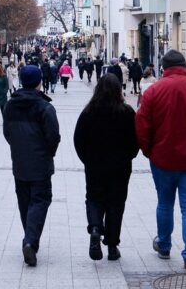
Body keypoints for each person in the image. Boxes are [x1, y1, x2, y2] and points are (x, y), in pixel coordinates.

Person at [135, 49, 186, 273]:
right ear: (185, 65)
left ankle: (164, 244)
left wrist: (149, 151)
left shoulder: (154, 91)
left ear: (163, 68)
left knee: (164, 203)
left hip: (162, 158)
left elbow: (142, 125)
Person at [74, 74, 139, 261]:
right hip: (120, 166)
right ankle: (112, 245)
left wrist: (87, 159)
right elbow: (136, 140)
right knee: (116, 204)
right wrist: (129, 156)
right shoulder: (126, 112)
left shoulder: (88, 112)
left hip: (95, 165)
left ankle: (95, 228)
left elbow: (78, 139)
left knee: (94, 198)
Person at [3, 65, 61, 267]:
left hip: (19, 161)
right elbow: (53, 136)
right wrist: (48, 152)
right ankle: (30, 240)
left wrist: (18, 148)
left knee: (24, 200)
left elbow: (7, 133)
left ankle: (29, 238)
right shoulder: (44, 107)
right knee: (40, 200)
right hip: (41, 163)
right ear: (39, 82)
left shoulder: (11, 105)